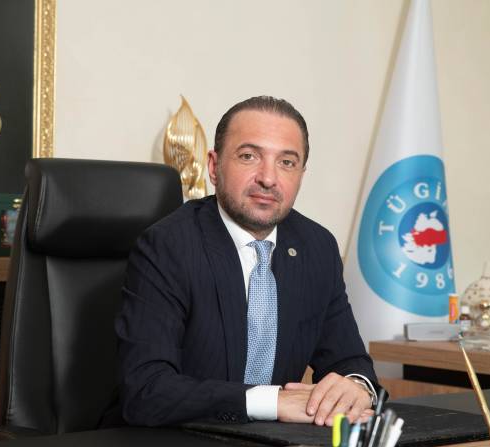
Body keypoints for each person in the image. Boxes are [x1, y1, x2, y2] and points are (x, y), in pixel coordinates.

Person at [116, 96, 379, 428]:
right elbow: (146, 390)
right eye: (249, 156)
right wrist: (272, 401)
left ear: (301, 174)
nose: (268, 178)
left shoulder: (317, 247)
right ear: (214, 167)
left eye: (287, 162)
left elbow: (350, 360)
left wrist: (355, 388)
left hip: (275, 440)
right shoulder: (168, 246)